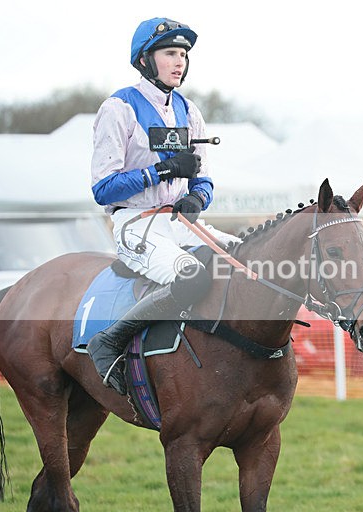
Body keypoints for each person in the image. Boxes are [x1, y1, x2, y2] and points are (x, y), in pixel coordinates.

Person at [87, 17, 239, 393]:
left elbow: (204, 181)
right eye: (170, 52)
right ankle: (108, 342)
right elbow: (103, 188)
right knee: (192, 276)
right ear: (145, 60)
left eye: (184, 54)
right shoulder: (118, 107)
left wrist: (196, 199)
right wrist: (163, 170)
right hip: (134, 223)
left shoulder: (190, 111)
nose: (180, 61)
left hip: (177, 222)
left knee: (244, 259)